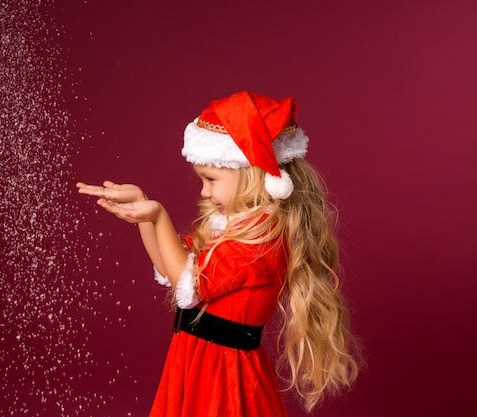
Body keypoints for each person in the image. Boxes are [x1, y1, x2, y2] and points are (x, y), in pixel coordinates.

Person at [76, 91, 361, 416]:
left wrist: (158, 216)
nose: (204, 191)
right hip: (197, 361)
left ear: (250, 175)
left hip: (225, 375)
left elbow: (188, 283)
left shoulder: (262, 236)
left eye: (211, 179)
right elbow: (172, 271)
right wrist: (144, 210)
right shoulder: (232, 225)